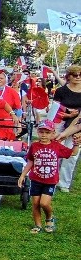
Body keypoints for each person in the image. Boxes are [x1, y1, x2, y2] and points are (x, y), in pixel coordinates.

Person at [17, 119, 81, 233]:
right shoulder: (34, 146)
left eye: (47, 132)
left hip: (50, 180)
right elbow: (30, 161)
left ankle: (49, 217)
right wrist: (22, 175)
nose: (44, 135)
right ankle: (37, 225)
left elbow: (73, 153)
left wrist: (76, 144)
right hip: (36, 179)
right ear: (38, 132)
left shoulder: (56, 146)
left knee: (44, 203)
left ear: (53, 133)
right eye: (41, 132)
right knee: (36, 203)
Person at [53, 64, 81, 192]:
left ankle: (64, 182)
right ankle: (52, 177)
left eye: (80, 75)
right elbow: (55, 108)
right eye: (75, 75)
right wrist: (66, 112)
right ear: (69, 76)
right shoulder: (61, 91)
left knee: (72, 153)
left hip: (77, 125)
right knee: (56, 150)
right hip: (61, 122)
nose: (78, 77)